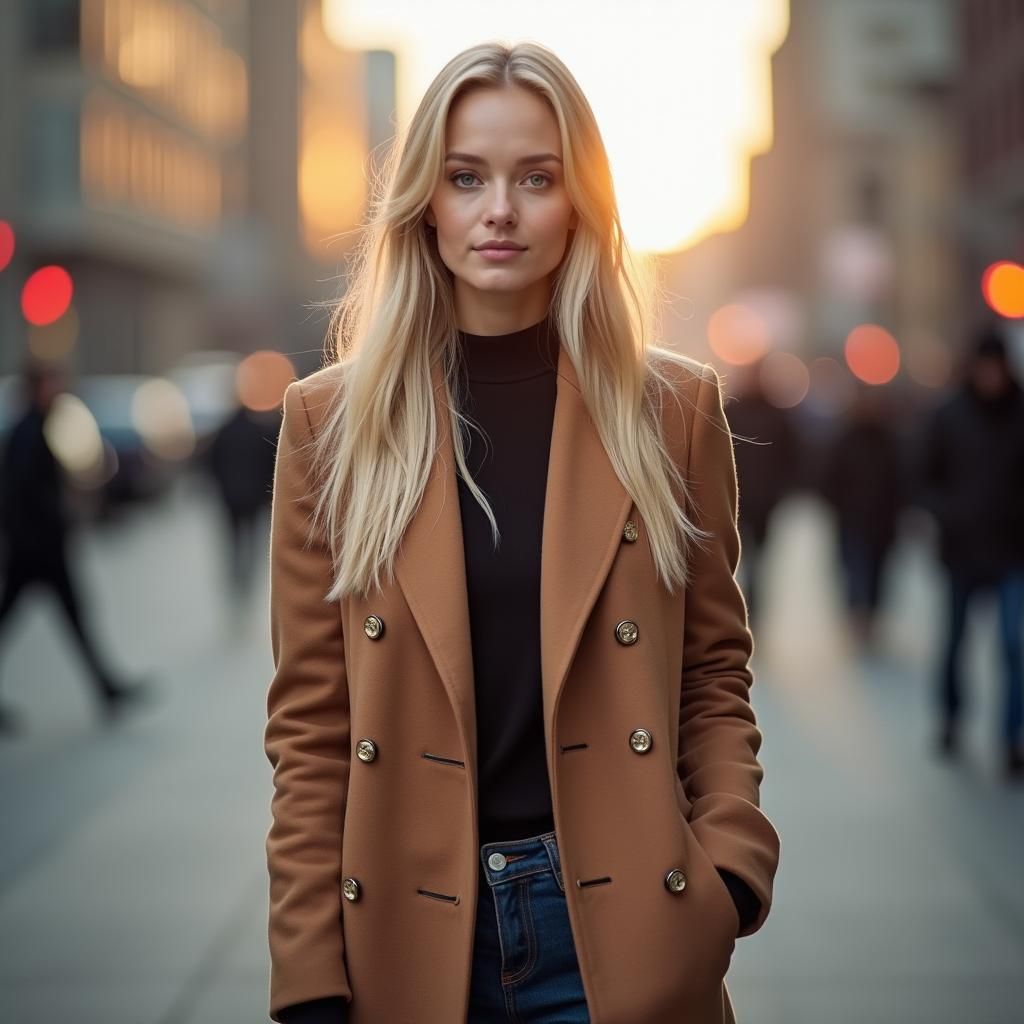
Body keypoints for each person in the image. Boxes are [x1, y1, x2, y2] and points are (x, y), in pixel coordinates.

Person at [264, 41, 780, 1024]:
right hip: (408, 944)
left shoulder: (670, 408)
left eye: (535, 177)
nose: (498, 209)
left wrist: (731, 867)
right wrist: (307, 973)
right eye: (466, 177)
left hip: (624, 928)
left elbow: (713, 668)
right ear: (425, 200)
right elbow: (310, 730)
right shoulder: (328, 423)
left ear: (579, 200)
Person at [0, 360, 149, 732]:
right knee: (64, 618)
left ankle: (107, 687)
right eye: (53, 382)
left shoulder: (36, 426)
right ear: (38, 387)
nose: (59, 389)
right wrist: (58, 518)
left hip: (39, 547)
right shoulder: (28, 431)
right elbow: (22, 492)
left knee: (75, 618)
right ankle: (107, 687)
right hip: (36, 549)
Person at [918, 327, 1024, 779]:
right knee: (955, 642)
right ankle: (951, 719)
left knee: (1012, 646)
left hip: (1011, 550)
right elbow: (923, 477)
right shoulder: (948, 415)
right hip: (961, 550)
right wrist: (951, 512)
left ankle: (1009, 738)